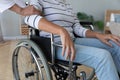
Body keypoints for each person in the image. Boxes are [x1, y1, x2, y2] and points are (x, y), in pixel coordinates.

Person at [1, 0, 120, 80]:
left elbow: (77, 28)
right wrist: (61, 31)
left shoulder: (66, 4)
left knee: (114, 45)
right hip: (55, 45)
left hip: (73, 40)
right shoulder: (38, 1)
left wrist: (99, 35)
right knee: (102, 57)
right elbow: (30, 18)